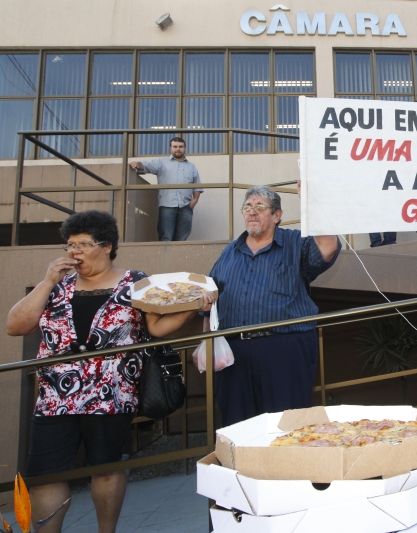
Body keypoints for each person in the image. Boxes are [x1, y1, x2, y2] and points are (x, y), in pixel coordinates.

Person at [6, 210, 215, 533]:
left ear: (107, 246)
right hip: (54, 397)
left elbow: (156, 328)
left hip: (111, 393)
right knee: (46, 474)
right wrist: (48, 281)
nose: (73, 252)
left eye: (83, 244)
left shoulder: (134, 282)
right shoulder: (57, 287)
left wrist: (193, 307)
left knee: (106, 469)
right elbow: (16, 325)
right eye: (69, 245)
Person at [207, 185, 340, 426]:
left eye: (260, 207)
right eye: (247, 207)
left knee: (285, 426)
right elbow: (210, 297)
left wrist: (312, 198)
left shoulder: (295, 243)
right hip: (234, 355)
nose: (252, 212)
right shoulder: (229, 251)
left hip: (284, 350)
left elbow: (328, 247)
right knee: (238, 427)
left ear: (277, 215)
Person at [129, 137, 203, 241]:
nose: (178, 149)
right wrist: (137, 164)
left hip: (186, 206)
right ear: (170, 148)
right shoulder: (161, 163)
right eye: (175, 146)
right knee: (166, 237)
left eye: (180, 147)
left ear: (184, 148)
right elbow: (146, 165)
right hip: (167, 206)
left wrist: (195, 200)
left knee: (182, 239)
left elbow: (197, 185)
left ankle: (177, 257)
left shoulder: (191, 167)